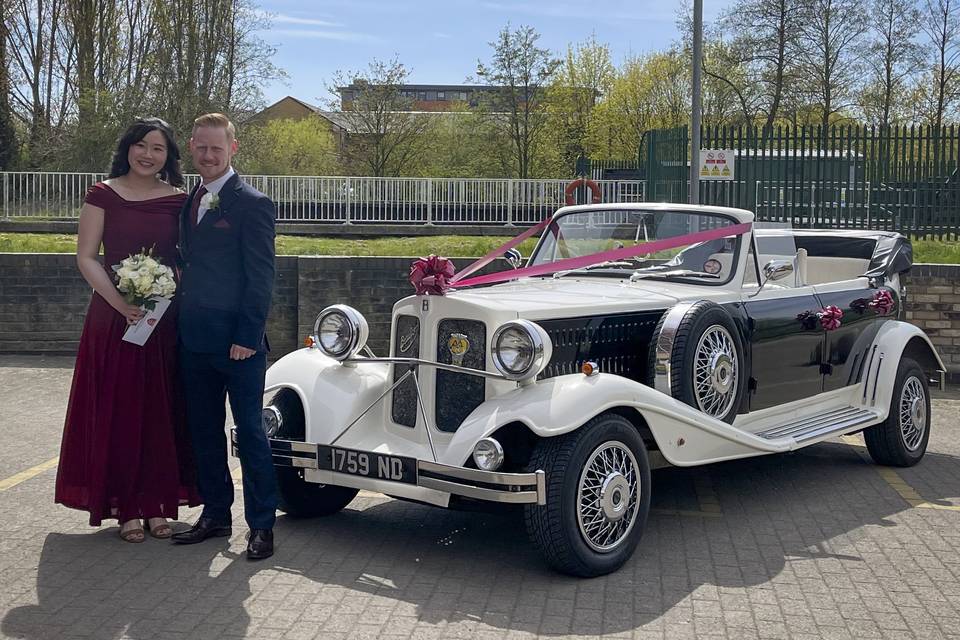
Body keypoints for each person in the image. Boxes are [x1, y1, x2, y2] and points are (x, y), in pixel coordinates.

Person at [55, 117, 201, 542]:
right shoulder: (103, 194)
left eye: (157, 148)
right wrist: (120, 302)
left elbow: (188, 259)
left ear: (168, 156)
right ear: (127, 148)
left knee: (160, 410)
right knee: (119, 410)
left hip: (162, 321)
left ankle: (157, 505)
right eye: (141, 145)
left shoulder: (180, 201)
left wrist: (162, 287)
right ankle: (124, 508)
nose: (148, 154)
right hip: (113, 318)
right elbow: (86, 256)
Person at [171, 113, 279, 560]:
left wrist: (248, 335)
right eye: (201, 147)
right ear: (192, 147)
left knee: (250, 433)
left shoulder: (253, 203)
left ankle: (262, 527)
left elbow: (261, 276)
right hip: (194, 339)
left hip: (239, 344)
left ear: (232, 149)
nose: (208, 156)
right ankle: (216, 515)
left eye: (217, 148)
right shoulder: (189, 200)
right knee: (204, 432)